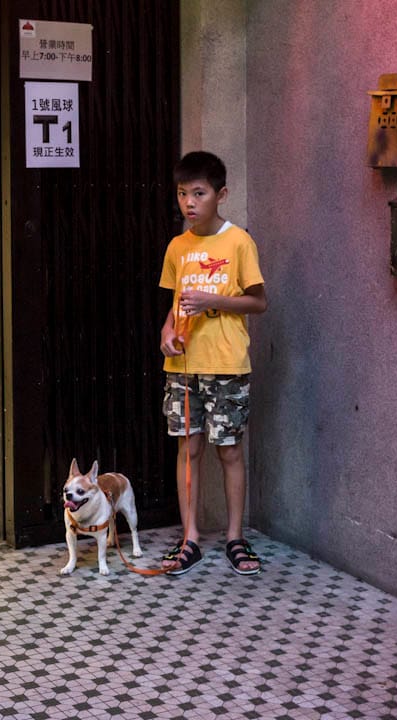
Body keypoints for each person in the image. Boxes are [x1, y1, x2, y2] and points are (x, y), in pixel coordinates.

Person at [158, 151, 267, 576]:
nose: (189, 202)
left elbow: (259, 301)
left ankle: (235, 538)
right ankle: (190, 539)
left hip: (227, 364)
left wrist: (214, 302)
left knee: (230, 450)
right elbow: (175, 305)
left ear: (220, 195)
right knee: (188, 448)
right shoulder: (177, 247)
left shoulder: (238, 241)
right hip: (184, 367)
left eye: (198, 193)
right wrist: (166, 333)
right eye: (183, 193)